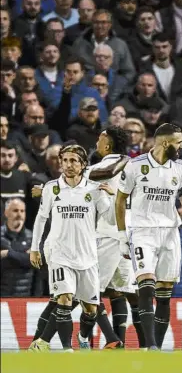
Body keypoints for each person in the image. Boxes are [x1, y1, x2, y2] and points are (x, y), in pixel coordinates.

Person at [115, 123, 182, 350]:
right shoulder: (135, 165)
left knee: (164, 293)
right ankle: (149, 345)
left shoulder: (180, 167)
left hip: (171, 233)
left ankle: (157, 349)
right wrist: (123, 235)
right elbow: (120, 201)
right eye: (178, 142)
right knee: (146, 285)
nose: (181, 146)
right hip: (142, 232)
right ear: (164, 143)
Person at [29, 143, 117, 352]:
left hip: (87, 256)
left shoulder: (94, 189)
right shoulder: (51, 188)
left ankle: (81, 337)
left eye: (73, 161)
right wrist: (35, 248)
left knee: (91, 309)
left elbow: (112, 219)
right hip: (60, 254)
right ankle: (67, 349)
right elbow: (41, 219)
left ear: (83, 164)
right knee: (64, 299)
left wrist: (112, 197)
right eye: (65, 160)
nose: (68, 165)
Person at [77, 126, 145, 349]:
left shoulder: (104, 166)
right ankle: (144, 345)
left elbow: (102, 176)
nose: (97, 142)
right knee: (123, 291)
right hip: (128, 233)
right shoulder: (133, 166)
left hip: (107, 235)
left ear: (108, 145)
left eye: (100, 138)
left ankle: (110, 339)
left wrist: (80, 172)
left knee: (89, 291)